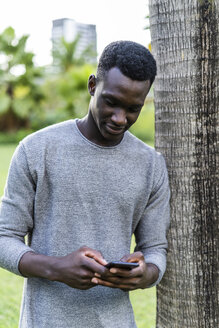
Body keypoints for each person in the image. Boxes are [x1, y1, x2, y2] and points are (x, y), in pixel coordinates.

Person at [0, 41, 170, 328]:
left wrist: (145, 274)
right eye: (111, 102)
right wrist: (57, 268)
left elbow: (155, 249)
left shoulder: (150, 165)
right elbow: (4, 237)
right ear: (93, 85)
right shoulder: (36, 149)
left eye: (133, 108)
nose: (120, 118)